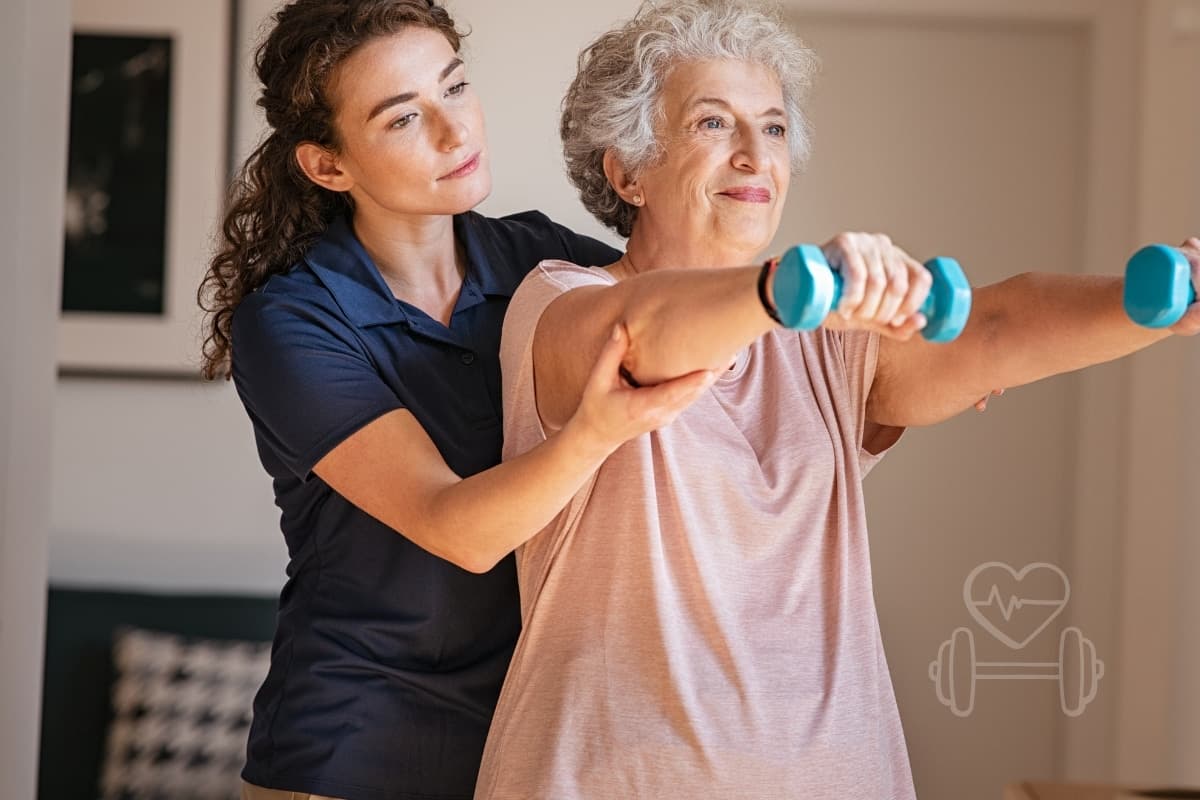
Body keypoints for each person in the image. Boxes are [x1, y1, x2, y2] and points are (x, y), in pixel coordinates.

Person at [474, 1, 1200, 797]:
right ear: (627, 172)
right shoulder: (560, 302)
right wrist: (791, 289)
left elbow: (992, 325)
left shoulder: (826, 336)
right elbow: (644, 339)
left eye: (775, 128)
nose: (756, 155)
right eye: (714, 124)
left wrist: (1155, 305)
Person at [196, 1, 714, 798]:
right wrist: (595, 432)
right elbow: (458, 529)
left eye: (456, 87)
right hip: (355, 751)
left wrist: (870, 364)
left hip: (530, 745)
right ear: (330, 166)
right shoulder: (294, 321)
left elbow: (678, 318)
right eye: (404, 119)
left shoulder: (540, 258)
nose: (455, 131)